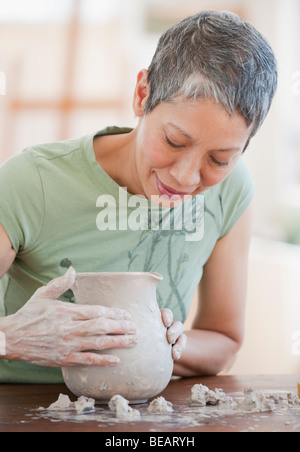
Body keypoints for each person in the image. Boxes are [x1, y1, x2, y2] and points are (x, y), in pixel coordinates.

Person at [0, 10, 277, 383]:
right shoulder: (31, 181)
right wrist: (11, 338)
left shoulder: (231, 189)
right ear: (142, 94)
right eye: (173, 141)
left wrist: (170, 343)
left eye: (219, 159)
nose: (185, 177)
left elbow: (223, 340)